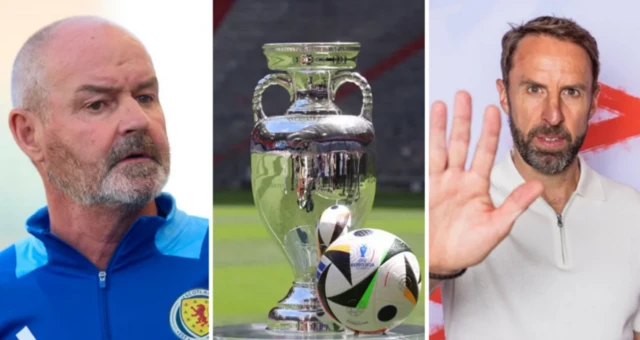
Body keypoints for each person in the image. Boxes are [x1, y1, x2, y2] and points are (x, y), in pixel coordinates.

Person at [429, 15, 640, 339]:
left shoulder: (634, 212)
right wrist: (434, 265)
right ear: (504, 95)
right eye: (534, 89)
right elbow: (373, 312)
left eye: (571, 92)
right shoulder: (460, 207)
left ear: (594, 100)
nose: (552, 115)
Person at [0, 16, 209, 340]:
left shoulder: (212, 261)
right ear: (29, 134)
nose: (137, 121)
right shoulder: (6, 288)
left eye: (145, 97)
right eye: (97, 104)